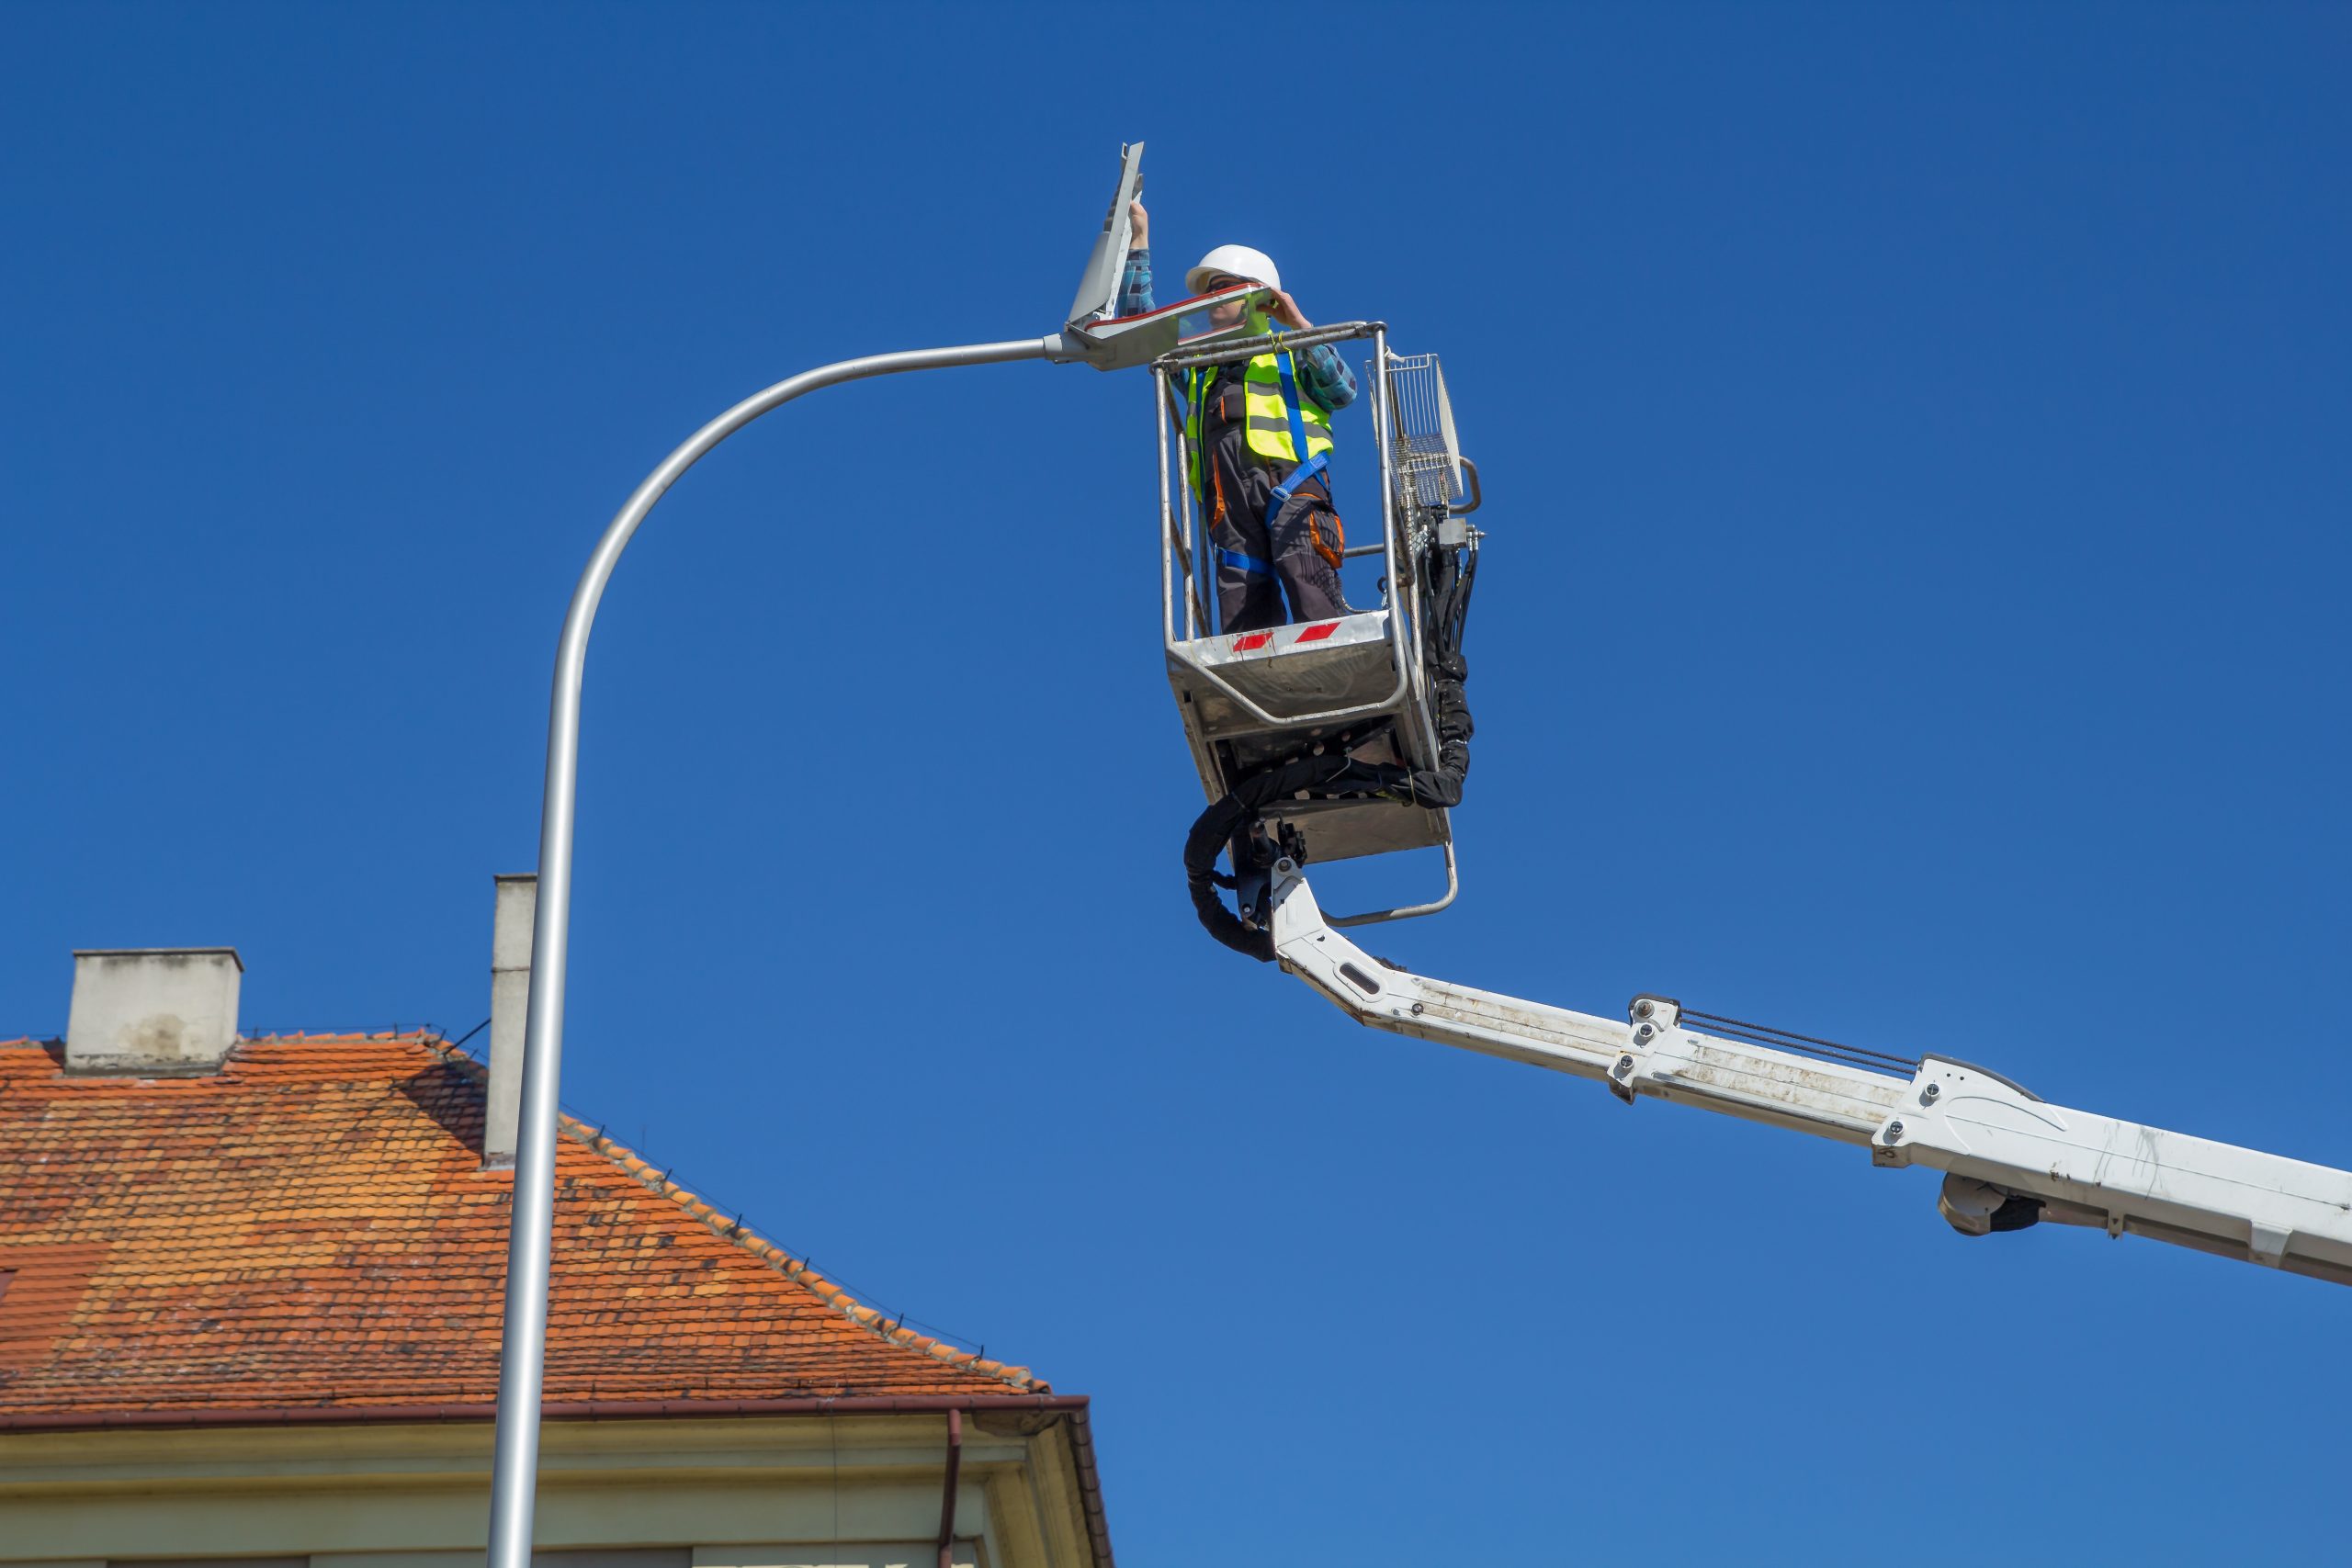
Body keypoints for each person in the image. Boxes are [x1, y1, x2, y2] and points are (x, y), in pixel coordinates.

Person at [1122, 200, 1359, 635]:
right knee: (1242, 599)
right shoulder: (1200, 368)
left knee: (1309, 582)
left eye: (1224, 289)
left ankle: (1327, 653)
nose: (1211, 300)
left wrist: (1301, 326)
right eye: (1209, 291)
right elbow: (1142, 332)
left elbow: (1342, 389)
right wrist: (1139, 240)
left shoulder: (1291, 352)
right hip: (1226, 499)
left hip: (1292, 484)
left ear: (1256, 298)